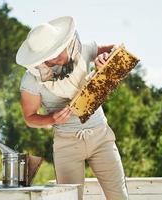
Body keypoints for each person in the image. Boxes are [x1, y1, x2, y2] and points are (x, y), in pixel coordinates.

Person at [16, 16, 129, 200]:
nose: (59, 56)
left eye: (59, 49)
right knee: (70, 198)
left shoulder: (82, 49)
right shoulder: (31, 79)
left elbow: (115, 50)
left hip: (101, 136)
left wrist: (105, 58)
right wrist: (51, 119)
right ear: (40, 59)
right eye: (50, 56)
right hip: (66, 144)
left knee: (119, 195)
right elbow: (29, 117)